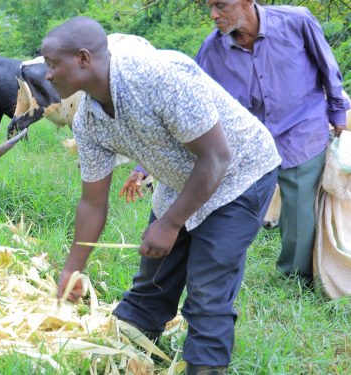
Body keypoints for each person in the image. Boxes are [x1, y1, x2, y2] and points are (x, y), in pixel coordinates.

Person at [44, 17, 281, 374]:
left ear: (82, 59)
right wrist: (73, 269)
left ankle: (204, 366)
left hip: (239, 173)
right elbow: (93, 202)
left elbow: (217, 157)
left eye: (51, 65)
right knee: (154, 278)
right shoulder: (88, 121)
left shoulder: (156, 76)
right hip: (182, 180)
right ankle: (131, 349)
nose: (47, 76)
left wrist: (171, 223)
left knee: (207, 286)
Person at [122, 0, 351, 286]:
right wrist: (145, 164)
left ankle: (293, 279)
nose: (214, 15)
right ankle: (213, 272)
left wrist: (338, 112)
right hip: (250, 144)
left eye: (221, 5)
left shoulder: (296, 22)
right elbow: (186, 104)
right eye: (210, 7)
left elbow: (328, 67)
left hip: (301, 129)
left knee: (299, 215)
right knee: (233, 208)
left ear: (246, 2)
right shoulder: (212, 49)